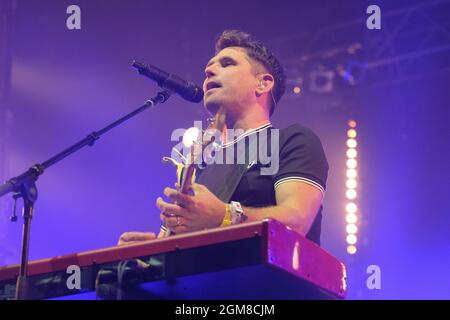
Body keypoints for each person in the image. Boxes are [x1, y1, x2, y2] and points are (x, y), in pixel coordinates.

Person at [118, 30, 328, 246]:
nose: (209, 70)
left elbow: (297, 222)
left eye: (227, 63)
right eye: (209, 66)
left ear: (263, 83)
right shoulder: (201, 164)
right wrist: (149, 253)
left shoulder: (293, 140)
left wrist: (226, 216)